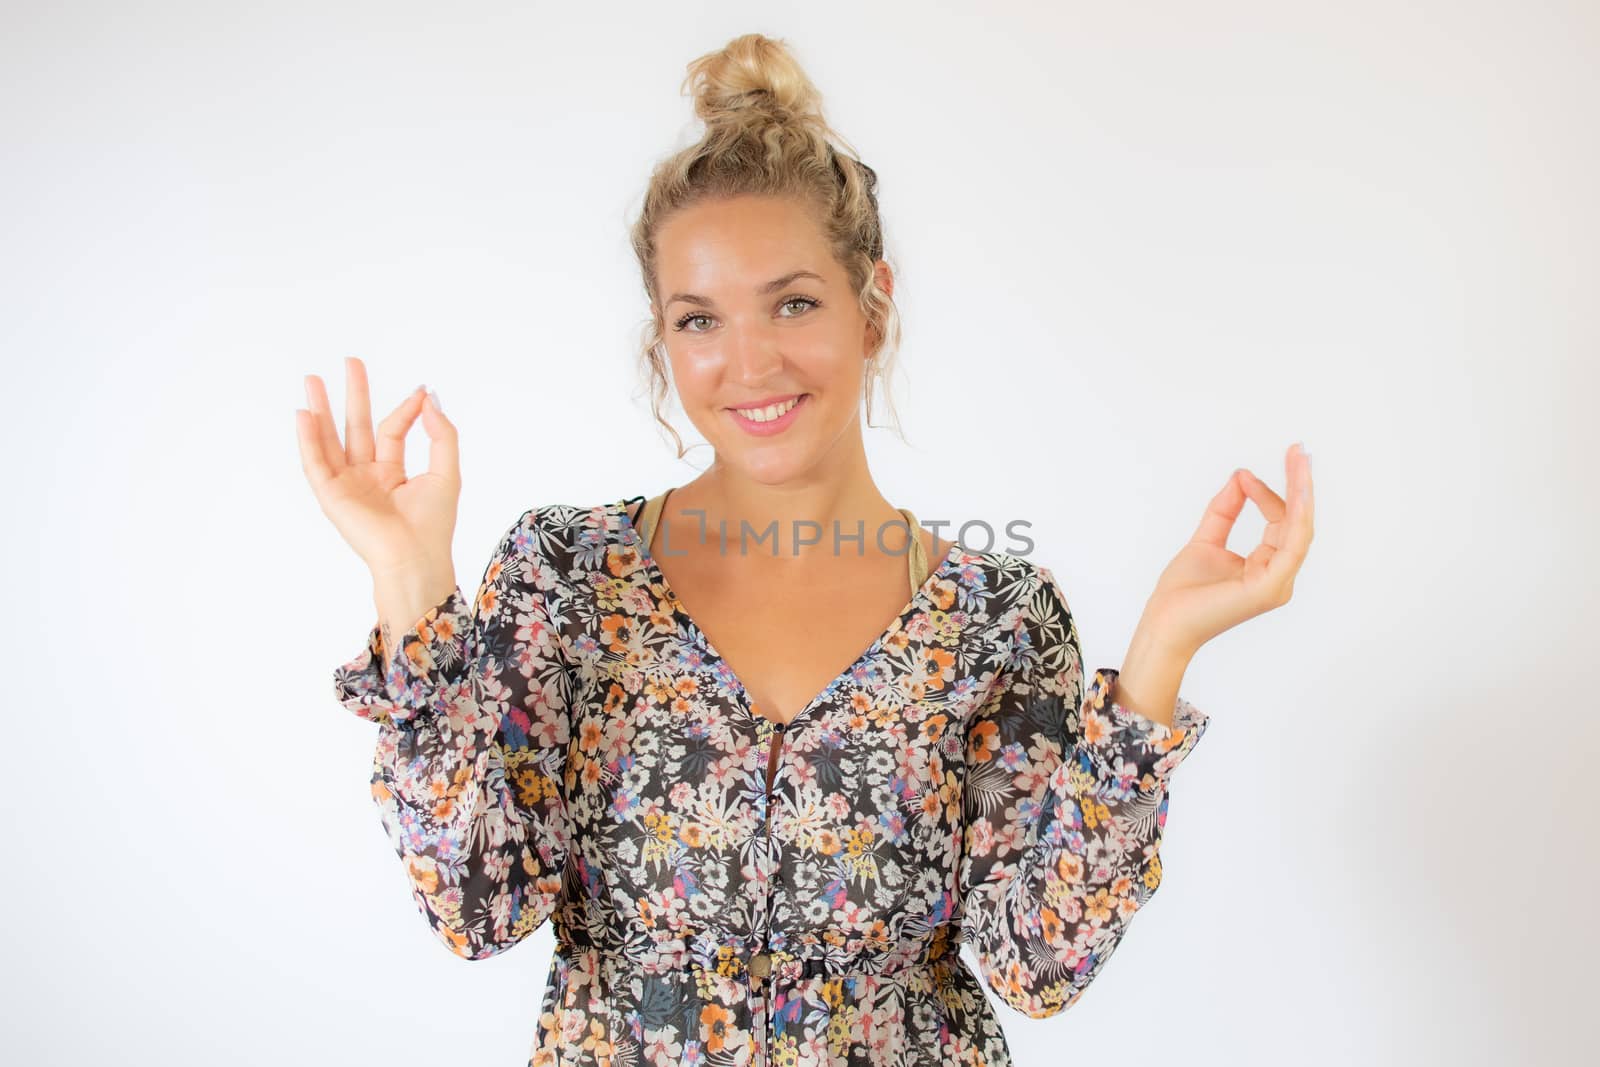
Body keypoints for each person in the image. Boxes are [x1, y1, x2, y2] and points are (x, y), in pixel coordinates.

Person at [295, 32, 1313, 1067]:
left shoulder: (993, 617)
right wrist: (409, 580)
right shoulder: (567, 575)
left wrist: (1156, 663)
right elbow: (479, 904)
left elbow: (1034, 964)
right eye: (699, 319)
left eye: (792, 302)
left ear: (872, 305)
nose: (749, 362)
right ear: (662, 338)